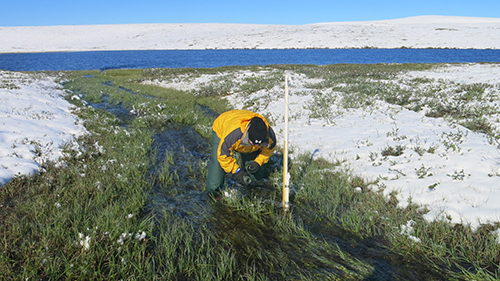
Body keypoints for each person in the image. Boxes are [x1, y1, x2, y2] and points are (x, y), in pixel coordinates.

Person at [206, 109, 276, 196]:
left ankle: (250, 186)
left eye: (260, 144)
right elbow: (223, 156)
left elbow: (268, 151)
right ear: (248, 138)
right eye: (252, 143)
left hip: (244, 139)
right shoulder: (233, 134)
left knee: (256, 176)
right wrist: (237, 171)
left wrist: (258, 162)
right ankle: (214, 194)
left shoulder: (269, 136)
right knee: (216, 172)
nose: (258, 146)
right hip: (222, 127)